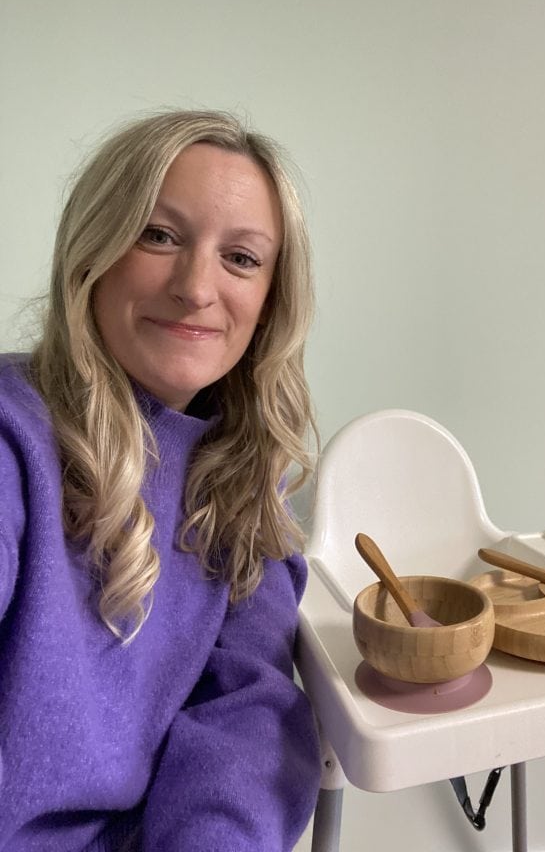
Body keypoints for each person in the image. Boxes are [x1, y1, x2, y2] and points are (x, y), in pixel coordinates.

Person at [0, 110, 321, 851]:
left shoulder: (243, 478)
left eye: (241, 258)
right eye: (160, 235)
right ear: (93, 253)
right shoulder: (14, 436)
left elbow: (245, 712)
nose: (196, 287)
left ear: (271, 300)